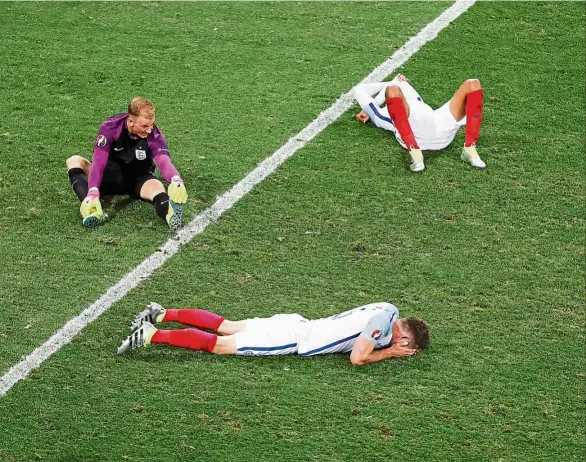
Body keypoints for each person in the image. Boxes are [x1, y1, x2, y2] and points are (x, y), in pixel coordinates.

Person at [117, 301, 430, 366]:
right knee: (222, 345)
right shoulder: (383, 327)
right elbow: (358, 358)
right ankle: (151, 333)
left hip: (298, 321)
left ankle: (160, 313)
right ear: (404, 340)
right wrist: (388, 352)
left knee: (227, 325)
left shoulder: (389, 308)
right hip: (296, 338)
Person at [65, 97, 188, 230]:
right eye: (144, 126)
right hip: (109, 177)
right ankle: (91, 207)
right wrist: (93, 190)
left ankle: (170, 215)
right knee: (74, 160)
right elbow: (98, 163)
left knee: (158, 187)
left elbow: (164, 162)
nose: (149, 130)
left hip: (139, 180)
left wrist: (176, 179)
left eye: (152, 124)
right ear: (130, 122)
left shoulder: (155, 136)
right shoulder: (110, 128)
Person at [353, 74, 486, 172]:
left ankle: (469, 149)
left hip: (437, 125)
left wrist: (393, 83)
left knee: (473, 84)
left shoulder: (403, 95)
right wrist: (387, 87)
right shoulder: (387, 109)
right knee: (392, 89)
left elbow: (390, 88)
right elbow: (367, 89)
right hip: (417, 135)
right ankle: (415, 153)